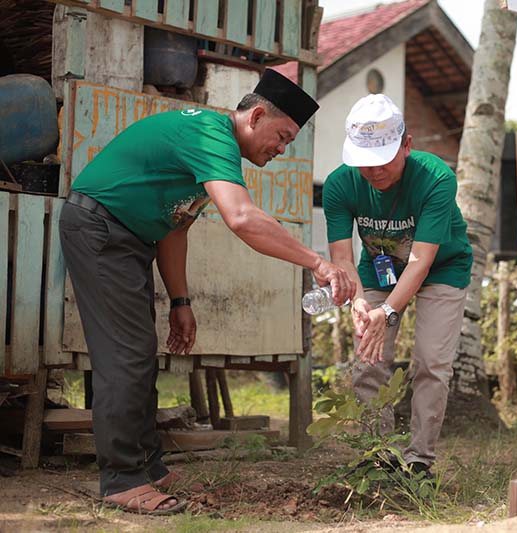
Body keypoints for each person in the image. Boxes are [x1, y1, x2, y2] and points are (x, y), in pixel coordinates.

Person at [59, 69, 355, 514]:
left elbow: (175, 227)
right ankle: (122, 478)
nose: (281, 149)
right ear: (256, 116)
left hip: (128, 238)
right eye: (282, 136)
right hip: (99, 229)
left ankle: (147, 467)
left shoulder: (210, 149)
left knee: (139, 350)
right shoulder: (209, 132)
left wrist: (182, 302)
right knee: (126, 353)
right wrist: (317, 262)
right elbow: (241, 219)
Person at [322, 94, 473, 477]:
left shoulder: (436, 178)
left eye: (383, 158)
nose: (373, 171)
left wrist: (387, 311)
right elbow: (341, 257)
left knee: (430, 361)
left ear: (407, 144)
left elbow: (421, 261)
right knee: (368, 358)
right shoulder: (339, 186)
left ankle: (419, 458)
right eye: (363, 162)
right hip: (378, 271)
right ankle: (379, 453)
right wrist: (357, 300)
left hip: (442, 268)